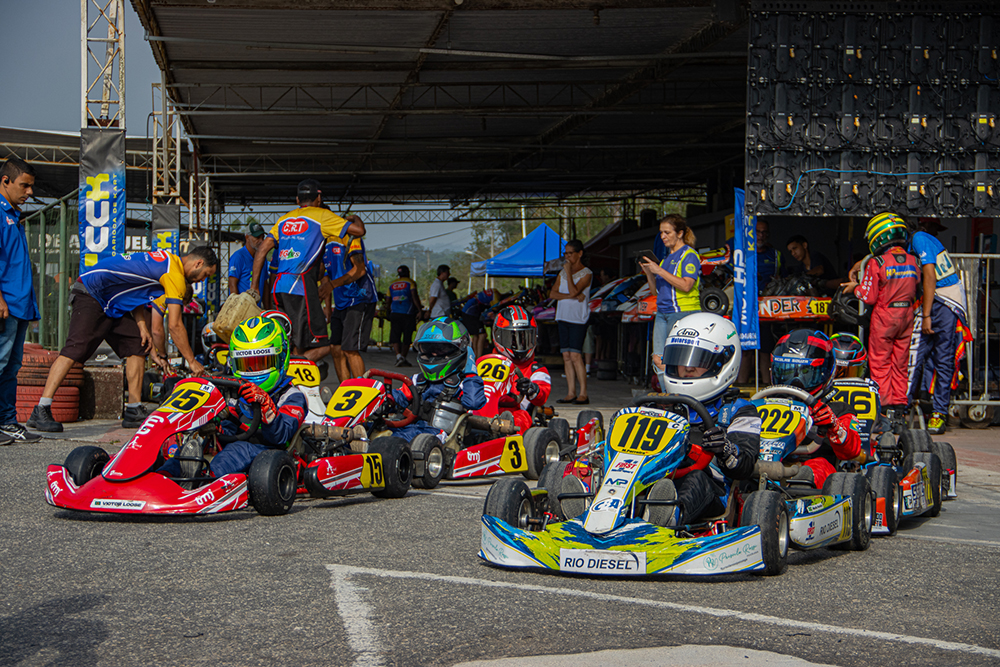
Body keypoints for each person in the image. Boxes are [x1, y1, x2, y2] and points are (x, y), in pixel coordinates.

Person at [28, 247, 218, 432]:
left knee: (138, 345)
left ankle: (134, 409)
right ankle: (41, 408)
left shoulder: (166, 261)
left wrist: (142, 327)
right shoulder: (174, 274)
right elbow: (175, 325)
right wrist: (192, 361)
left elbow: (133, 293)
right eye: (206, 274)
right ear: (198, 263)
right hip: (92, 292)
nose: (203, 280)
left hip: (112, 302)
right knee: (74, 350)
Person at [158, 315, 307, 481]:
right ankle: (162, 477)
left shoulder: (292, 396)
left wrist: (267, 408)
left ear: (281, 358)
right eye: (246, 364)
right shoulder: (237, 391)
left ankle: (204, 481)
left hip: (270, 453)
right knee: (194, 444)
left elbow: (281, 436)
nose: (252, 371)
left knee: (238, 450)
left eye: (261, 362)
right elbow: (230, 428)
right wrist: (215, 426)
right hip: (236, 447)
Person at [650, 313, 760, 526]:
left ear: (722, 362)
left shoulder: (739, 410)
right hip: (658, 477)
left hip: (712, 488)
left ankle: (668, 519)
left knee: (695, 478)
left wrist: (725, 449)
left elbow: (745, 466)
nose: (687, 367)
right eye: (680, 357)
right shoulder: (660, 406)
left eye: (697, 359)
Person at [249, 179, 366, 362]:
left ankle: (290, 372)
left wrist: (254, 286)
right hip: (301, 287)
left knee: (290, 342)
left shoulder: (283, 219)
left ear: (297, 200)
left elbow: (262, 250)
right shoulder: (322, 216)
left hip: (278, 289)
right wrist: (355, 218)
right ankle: (292, 368)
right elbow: (359, 231)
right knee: (323, 345)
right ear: (319, 198)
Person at [770, 329, 865, 489]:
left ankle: (797, 493)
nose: (796, 382)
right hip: (768, 464)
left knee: (813, 469)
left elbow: (852, 451)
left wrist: (834, 425)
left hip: (814, 469)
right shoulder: (767, 403)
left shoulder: (838, 409)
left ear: (826, 372)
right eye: (787, 371)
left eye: (806, 373)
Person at [844, 213, 920, 414]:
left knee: (880, 363)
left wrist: (854, 288)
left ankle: (884, 408)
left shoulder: (877, 262)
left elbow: (868, 297)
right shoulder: (913, 261)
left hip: (885, 316)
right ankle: (900, 407)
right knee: (900, 364)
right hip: (907, 315)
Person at [906, 218, 968, 434]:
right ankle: (904, 409)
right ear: (922, 225)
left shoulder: (919, 238)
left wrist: (926, 315)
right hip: (940, 301)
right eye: (934, 227)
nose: (936, 233)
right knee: (918, 356)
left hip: (944, 302)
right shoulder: (918, 239)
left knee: (938, 359)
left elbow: (930, 276)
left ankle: (939, 413)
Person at [388, 317, 486, 443]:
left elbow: (474, 402)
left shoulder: (463, 383)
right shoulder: (418, 380)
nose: (433, 354)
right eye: (428, 348)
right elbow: (399, 397)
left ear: (460, 349)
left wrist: (471, 370)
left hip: (437, 436)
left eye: (441, 349)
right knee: (375, 429)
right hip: (410, 428)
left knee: (396, 442)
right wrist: (384, 399)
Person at [0, 157, 40, 444]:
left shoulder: (13, 215)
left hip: (20, 305)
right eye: (24, 185)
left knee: (11, 368)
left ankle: (6, 422)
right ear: (5, 181)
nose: (29, 192)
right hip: (6, 305)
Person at [638, 215, 700, 391]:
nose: (663, 236)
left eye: (667, 232)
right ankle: (668, 398)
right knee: (658, 359)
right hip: (662, 312)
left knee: (677, 361)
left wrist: (659, 270)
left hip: (683, 312)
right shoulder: (666, 259)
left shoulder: (689, 255)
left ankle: (680, 397)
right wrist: (649, 273)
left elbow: (686, 285)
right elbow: (655, 292)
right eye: (661, 233)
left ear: (679, 233)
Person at [323, 232, 377, 381]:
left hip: (359, 298)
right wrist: (327, 307)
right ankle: (344, 388)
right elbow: (324, 277)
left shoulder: (350, 236)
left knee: (350, 349)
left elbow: (360, 269)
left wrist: (332, 284)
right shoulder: (321, 242)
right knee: (335, 348)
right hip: (340, 302)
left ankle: (361, 389)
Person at [491, 305, 551, 434]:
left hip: (517, 412)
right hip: (487, 410)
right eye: (513, 339)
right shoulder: (486, 363)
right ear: (499, 336)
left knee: (518, 419)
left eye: (524, 339)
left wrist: (531, 388)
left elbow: (542, 394)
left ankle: (505, 435)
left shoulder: (535, 369)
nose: (520, 345)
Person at [550, 239, 592, 405]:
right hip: (562, 316)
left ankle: (583, 393)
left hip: (577, 318)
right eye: (565, 253)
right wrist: (570, 296)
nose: (567, 256)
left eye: (570, 253)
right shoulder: (561, 273)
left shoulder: (586, 273)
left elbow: (575, 290)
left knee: (575, 355)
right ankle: (571, 392)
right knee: (566, 355)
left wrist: (568, 273)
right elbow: (553, 294)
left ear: (579, 254)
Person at [387, 265, 422, 367]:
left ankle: (398, 356)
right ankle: (403, 357)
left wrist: (388, 310)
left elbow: (388, 299)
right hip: (407, 313)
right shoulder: (411, 283)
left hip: (395, 313)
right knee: (407, 336)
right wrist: (419, 309)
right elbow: (414, 296)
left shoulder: (392, 284)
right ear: (408, 273)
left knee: (395, 336)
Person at [228, 221, 268, 304]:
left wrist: (268, 308)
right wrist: (237, 306)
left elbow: (265, 285)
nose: (261, 241)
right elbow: (232, 284)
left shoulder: (263, 259)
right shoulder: (238, 257)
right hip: (242, 307)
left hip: (256, 308)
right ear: (247, 237)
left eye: (262, 237)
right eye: (257, 238)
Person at [455, 288, 495, 359]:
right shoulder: (491, 296)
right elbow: (493, 308)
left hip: (469, 313)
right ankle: (478, 357)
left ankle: (475, 356)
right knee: (482, 335)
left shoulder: (487, 294)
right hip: (470, 314)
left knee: (476, 335)